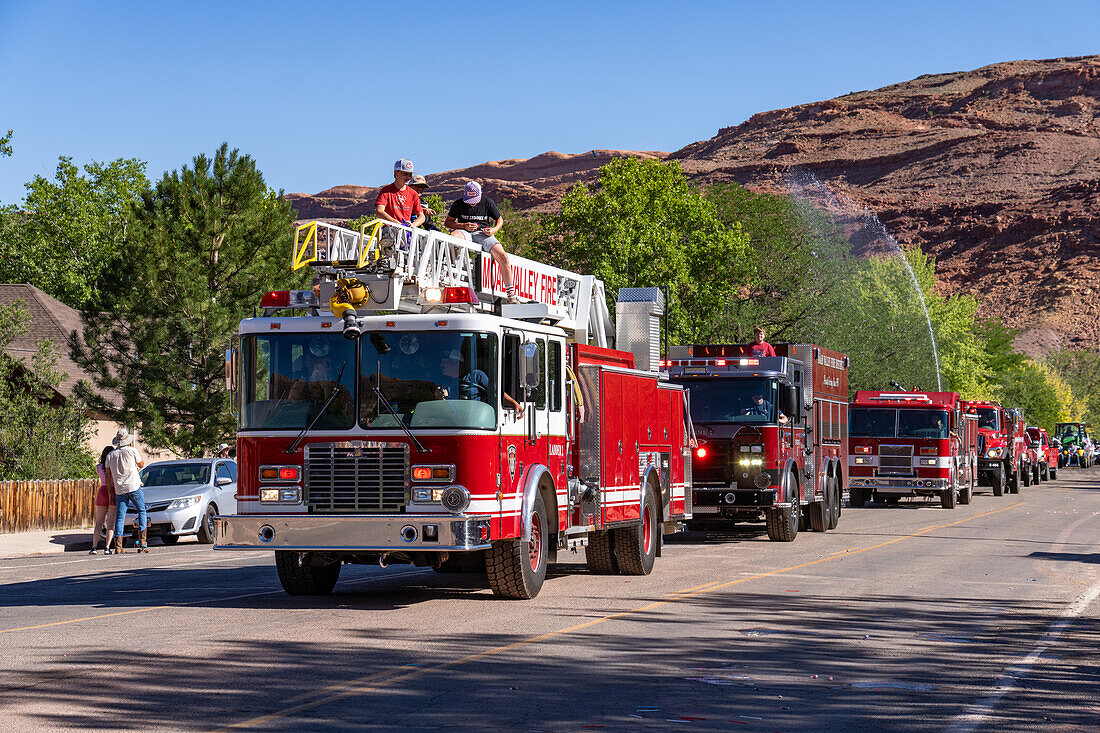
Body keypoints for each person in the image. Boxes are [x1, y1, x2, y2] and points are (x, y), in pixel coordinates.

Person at [446, 181, 520, 304]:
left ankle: (510, 293)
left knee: (503, 256)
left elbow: (499, 219)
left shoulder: (487, 202)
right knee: (452, 238)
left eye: (474, 200)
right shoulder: (458, 204)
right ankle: (452, 273)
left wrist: (493, 230)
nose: (472, 203)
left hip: (483, 233)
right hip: (465, 231)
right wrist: (463, 225)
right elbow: (448, 222)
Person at [439, 349, 523, 415]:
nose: (441, 365)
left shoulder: (476, 376)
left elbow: (495, 393)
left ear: (456, 363)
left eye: (444, 362)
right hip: (455, 421)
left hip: (477, 419)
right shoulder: (445, 385)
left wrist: (514, 404)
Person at [107, 428, 147, 554]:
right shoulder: (132, 451)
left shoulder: (110, 455)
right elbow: (141, 464)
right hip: (134, 486)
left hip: (120, 488)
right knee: (141, 511)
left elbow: (108, 476)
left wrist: (110, 492)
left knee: (120, 516)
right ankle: (142, 542)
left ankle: (118, 546)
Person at [375, 159, 424, 249]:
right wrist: (397, 224)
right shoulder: (386, 191)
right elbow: (379, 211)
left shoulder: (413, 193)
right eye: (405, 174)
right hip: (389, 229)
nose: (408, 177)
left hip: (406, 232)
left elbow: (421, 216)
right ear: (396, 172)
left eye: (410, 174)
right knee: (389, 256)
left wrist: (412, 225)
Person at [90, 446, 117, 554]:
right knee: (110, 523)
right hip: (113, 491)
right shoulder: (114, 467)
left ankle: (94, 547)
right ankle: (107, 547)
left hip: (102, 491)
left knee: (99, 523)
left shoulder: (98, 467)